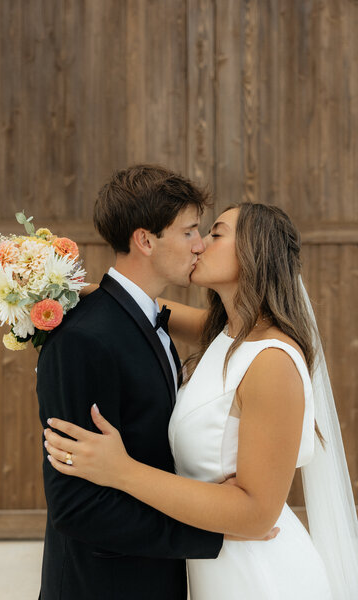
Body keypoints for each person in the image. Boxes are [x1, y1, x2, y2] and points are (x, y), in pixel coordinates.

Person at [44, 202, 358, 599]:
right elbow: (143, 308)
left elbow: (258, 515)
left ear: (253, 251)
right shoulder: (226, 334)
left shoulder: (272, 362)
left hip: (258, 573)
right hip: (212, 561)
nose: (200, 245)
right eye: (196, 233)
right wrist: (50, 291)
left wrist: (121, 470)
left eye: (216, 233)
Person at [37, 166, 277, 600]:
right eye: (188, 232)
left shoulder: (146, 318)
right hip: (105, 585)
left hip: (158, 575)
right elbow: (75, 507)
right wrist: (216, 532)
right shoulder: (83, 339)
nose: (200, 245)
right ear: (145, 241)